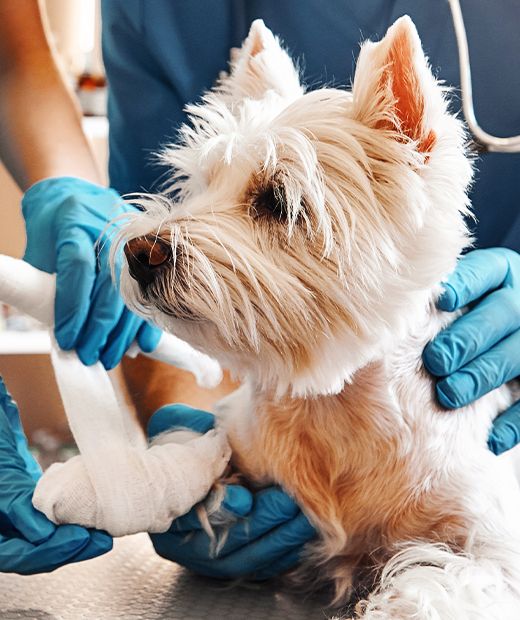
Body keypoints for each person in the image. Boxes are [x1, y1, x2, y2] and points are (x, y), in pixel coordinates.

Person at [1, 0, 519, 579]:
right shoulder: (157, 13)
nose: (164, 233)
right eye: (201, 189)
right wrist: (178, 455)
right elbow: (12, 61)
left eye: (276, 203)